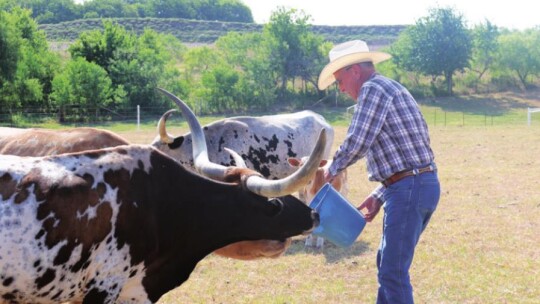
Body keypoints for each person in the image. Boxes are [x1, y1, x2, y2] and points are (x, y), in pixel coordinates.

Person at [319, 40, 441, 303]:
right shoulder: (390, 88)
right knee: (387, 263)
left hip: (410, 188)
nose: (340, 88)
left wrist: (331, 168)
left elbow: (358, 140)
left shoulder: (372, 89)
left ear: (354, 71)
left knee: (392, 272)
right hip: (417, 184)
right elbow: (407, 153)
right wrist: (380, 193)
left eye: (339, 79)